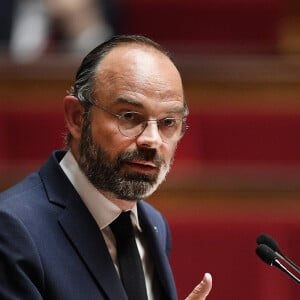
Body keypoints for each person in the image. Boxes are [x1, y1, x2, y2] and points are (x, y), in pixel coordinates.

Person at [0, 35, 212, 299]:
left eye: (168, 122)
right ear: (77, 118)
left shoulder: (154, 225)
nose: (152, 140)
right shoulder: (13, 229)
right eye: (130, 117)